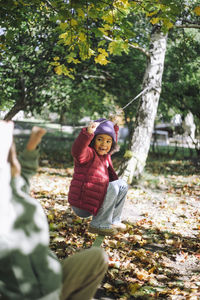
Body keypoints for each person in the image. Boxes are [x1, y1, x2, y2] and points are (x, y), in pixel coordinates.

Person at [0, 121, 108, 300]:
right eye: (12, 158)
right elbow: (79, 151)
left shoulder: (15, 188)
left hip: (53, 279)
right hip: (32, 294)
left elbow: (24, 173)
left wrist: (33, 143)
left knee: (97, 258)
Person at [68, 118, 129, 236]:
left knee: (122, 185)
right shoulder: (88, 154)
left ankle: (114, 221)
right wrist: (88, 133)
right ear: (92, 140)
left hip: (95, 202)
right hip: (82, 204)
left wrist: (114, 127)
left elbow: (112, 139)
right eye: (100, 139)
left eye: (108, 141)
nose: (104, 144)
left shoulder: (105, 157)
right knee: (114, 186)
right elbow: (77, 151)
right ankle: (99, 224)